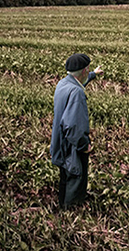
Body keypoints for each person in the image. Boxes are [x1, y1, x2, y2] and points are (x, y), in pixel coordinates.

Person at [50, 53, 103, 209]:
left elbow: (78, 83)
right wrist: (84, 146)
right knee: (76, 178)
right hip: (71, 147)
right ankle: (70, 214)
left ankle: (61, 207)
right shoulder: (76, 93)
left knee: (65, 179)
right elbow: (73, 127)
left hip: (59, 143)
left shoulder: (63, 84)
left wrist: (94, 74)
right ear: (84, 70)